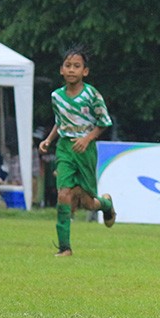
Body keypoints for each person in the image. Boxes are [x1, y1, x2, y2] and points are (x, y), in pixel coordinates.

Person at [38, 46, 117, 257]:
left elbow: (103, 122)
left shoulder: (92, 95)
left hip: (85, 149)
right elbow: (60, 121)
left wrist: (87, 138)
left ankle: (106, 205)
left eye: (77, 66)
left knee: (87, 202)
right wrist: (48, 139)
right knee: (64, 194)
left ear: (85, 71)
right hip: (65, 148)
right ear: (61, 70)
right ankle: (65, 248)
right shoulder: (56, 96)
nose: (72, 70)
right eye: (68, 66)